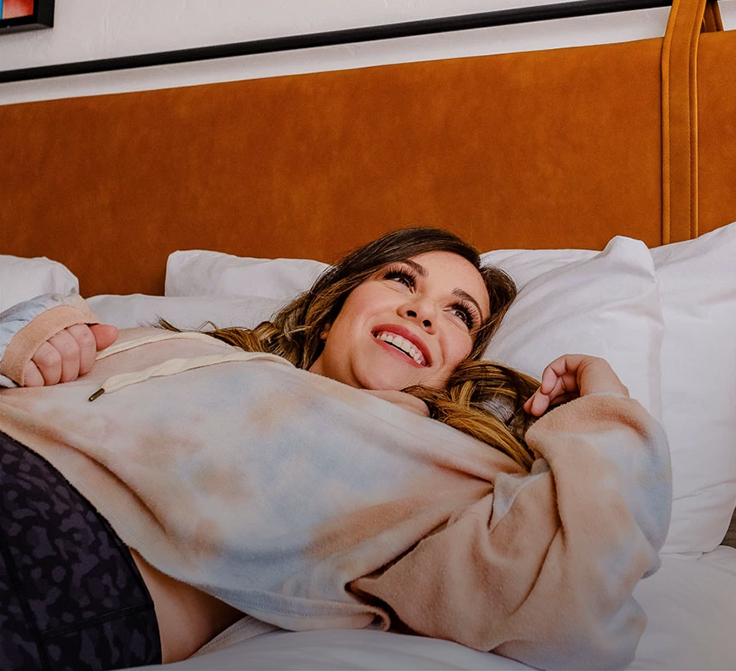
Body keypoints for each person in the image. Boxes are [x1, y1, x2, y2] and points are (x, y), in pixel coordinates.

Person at [0, 228, 670, 671]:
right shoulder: (194, 349)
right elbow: (30, 331)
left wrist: (599, 402)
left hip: (66, 552)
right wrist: (40, 334)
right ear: (335, 305)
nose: (423, 310)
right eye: (402, 281)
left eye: (460, 313)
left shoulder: (443, 468)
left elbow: (581, 588)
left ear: (462, 362)